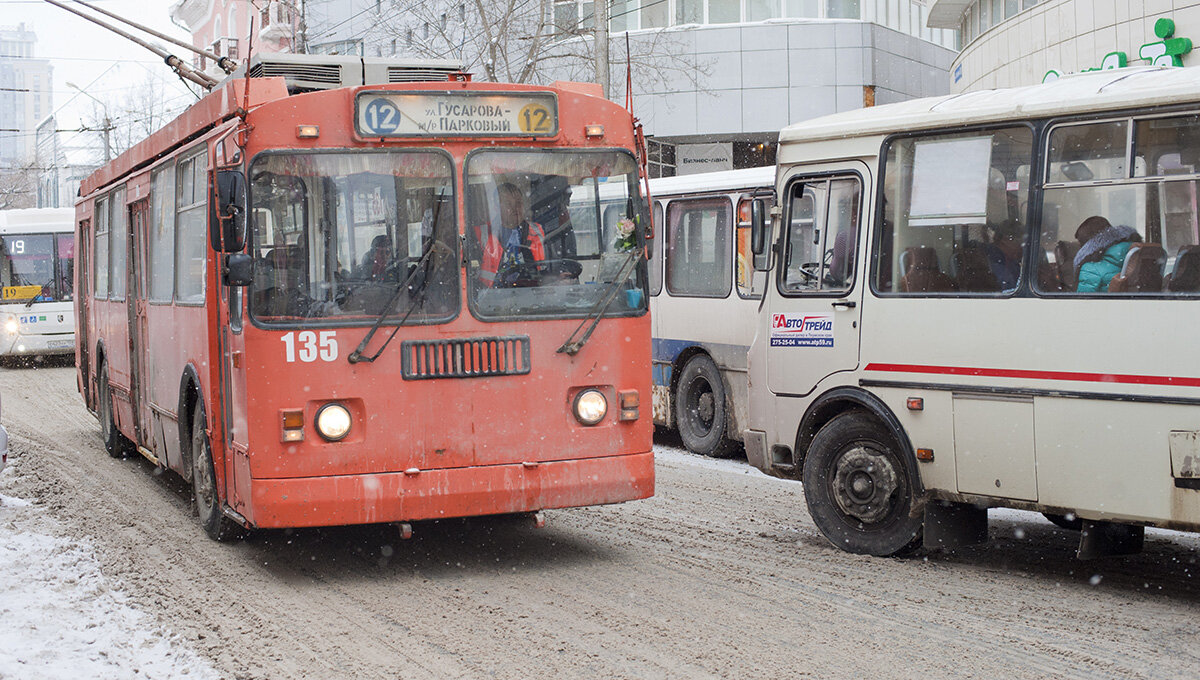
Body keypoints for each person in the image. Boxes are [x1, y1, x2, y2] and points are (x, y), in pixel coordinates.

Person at [477, 182, 549, 288]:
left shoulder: (537, 231)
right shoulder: (482, 234)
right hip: (493, 295)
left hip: (532, 293)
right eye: (508, 204)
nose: (515, 209)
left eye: (518, 203)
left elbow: (549, 268)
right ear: (497, 207)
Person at [1073, 215, 1140, 293]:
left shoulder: (1090, 269)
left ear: (1086, 246)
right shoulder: (1134, 254)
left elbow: (1082, 302)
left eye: (1080, 244)